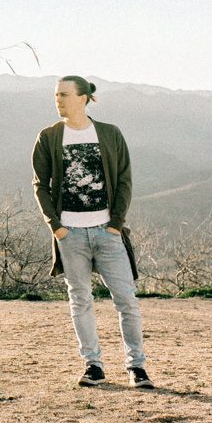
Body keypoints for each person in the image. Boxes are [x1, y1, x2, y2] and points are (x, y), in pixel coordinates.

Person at [32, 75, 152, 389]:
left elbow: (125, 180)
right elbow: (40, 186)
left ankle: (136, 367)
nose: (57, 100)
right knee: (80, 300)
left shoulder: (110, 134)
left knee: (127, 300)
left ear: (83, 97)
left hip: (107, 232)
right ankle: (93, 366)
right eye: (55, 95)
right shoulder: (48, 137)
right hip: (70, 234)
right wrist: (56, 227)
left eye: (63, 95)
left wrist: (116, 224)